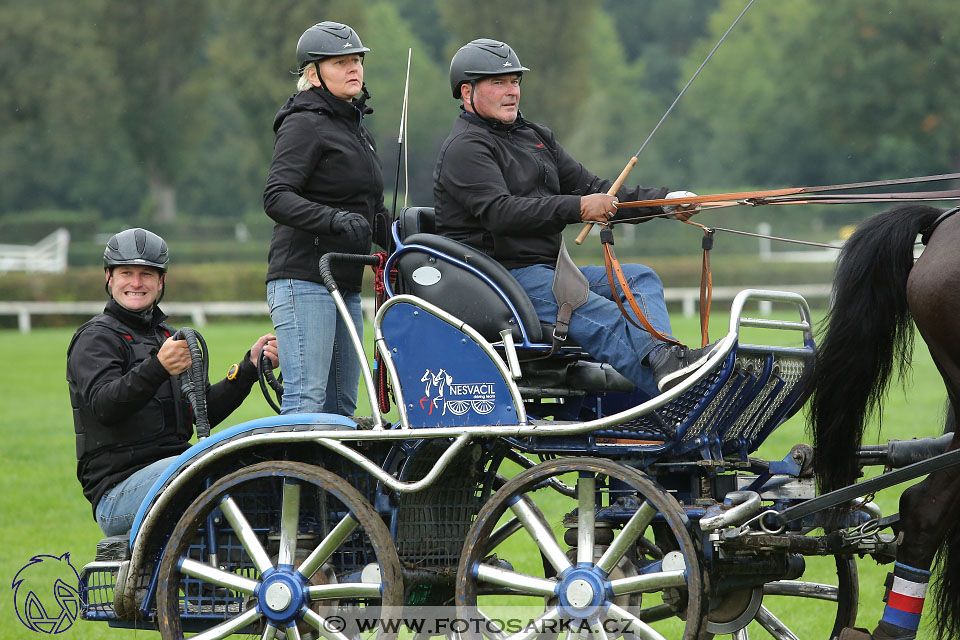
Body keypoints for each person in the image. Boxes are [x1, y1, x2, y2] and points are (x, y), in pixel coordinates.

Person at [433, 38, 720, 397]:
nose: (512, 92)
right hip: (501, 280)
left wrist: (664, 202)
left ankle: (666, 359)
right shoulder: (465, 148)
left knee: (639, 278)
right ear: (466, 92)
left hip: (550, 272)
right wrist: (578, 207)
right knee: (603, 316)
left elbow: (599, 189)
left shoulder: (535, 136)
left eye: (515, 82)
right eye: (499, 83)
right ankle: (684, 399)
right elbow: (501, 213)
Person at [67, 228, 278, 537]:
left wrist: (247, 368)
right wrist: (157, 367)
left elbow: (202, 414)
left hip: (176, 469)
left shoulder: (171, 338)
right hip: (119, 492)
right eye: (127, 273)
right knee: (203, 471)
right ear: (110, 278)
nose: (136, 283)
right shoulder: (94, 338)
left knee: (257, 467)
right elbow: (104, 406)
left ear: (161, 281)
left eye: (147, 274)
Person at [263, 21, 388, 416]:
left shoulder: (357, 130)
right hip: (304, 278)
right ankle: (290, 480)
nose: (353, 68)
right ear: (313, 74)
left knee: (341, 409)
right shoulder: (304, 122)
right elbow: (277, 197)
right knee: (306, 402)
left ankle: (329, 483)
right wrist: (333, 220)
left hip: (345, 281)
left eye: (356, 60)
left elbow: (372, 210)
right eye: (340, 62)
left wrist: (411, 239)